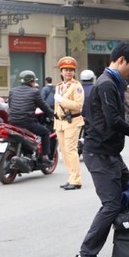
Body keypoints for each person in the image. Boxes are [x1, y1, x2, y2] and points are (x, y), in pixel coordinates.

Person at [73, 42, 129, 257]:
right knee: (112, 204)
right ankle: (85, 255)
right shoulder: (106, 84)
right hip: (100, 154)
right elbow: (112, 121)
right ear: (121, 60)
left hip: (111, 153)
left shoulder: (114, 83)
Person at [8, 70, 55, 166]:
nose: (34, 83)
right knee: (45, 132)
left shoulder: (12, 91)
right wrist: (53, 115)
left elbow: (10, 106)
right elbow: (44, 107)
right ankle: (45, 157)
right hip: (27, 123)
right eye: (34, 81)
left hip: (12, 122)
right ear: (31, 81)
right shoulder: (35, 92)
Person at [54, 57, 85, 191]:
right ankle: (71, 177)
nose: (68, 73)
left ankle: (76, 180)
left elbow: (78, 106)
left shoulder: (76, 86)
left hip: (72, 121)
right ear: (61, 72)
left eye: (71, 70)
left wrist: (62, 100)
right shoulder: (59, 86)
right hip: (60, 122)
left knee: (71, 150)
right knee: (65, 151)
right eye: (66, 70)